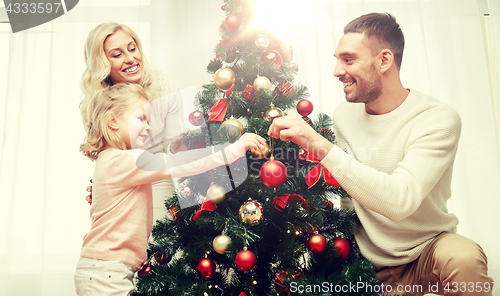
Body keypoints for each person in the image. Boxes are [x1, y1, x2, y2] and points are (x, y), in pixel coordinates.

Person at [268, 12, 494, 296]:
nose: (337, 71)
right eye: (337, 59)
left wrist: (319, 144)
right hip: (368, 265)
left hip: (428, 251)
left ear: (384, 60)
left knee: (464, 259)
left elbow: (400, 201)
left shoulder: (436, 119)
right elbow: (349, 184)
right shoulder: (344, 115)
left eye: (348, 60)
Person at [75, 83, 265, 295]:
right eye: (141, 119)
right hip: (105, 271)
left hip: (107, 269)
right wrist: (232, 150)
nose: (148, 127)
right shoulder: (123, 160)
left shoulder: (114, 160)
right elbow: (179, 162)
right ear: (113, 121)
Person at [79, 22, 185, 218]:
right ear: (101, 63)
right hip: (126, 183)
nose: (130, 59)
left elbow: (180, 151)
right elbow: (108, 160)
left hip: (165, 176)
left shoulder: (162, 86)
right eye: (117, 55)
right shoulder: (93, 103)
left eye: (132, 48)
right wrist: (103, 185)